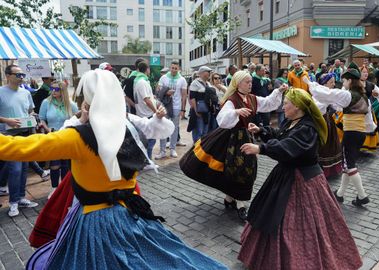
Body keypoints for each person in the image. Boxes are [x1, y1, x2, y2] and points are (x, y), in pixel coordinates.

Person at [0, 69, 227, 269]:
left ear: (88, 101)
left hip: (96, 221)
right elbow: (153, 129)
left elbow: (17, 148)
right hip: (131, 212)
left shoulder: (76, 137)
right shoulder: (128, 126)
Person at [237, 88, 362, 270]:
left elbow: (289, 146)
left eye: (286, 103)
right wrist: (261, 131)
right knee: (273, 215)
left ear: (297, 106)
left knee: (299, 223)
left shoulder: (307, 128)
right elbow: (282, 135)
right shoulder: (295, 121)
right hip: (287, 175)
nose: (283, 106)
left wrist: (261, 149)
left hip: (304, 181)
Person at [180, 70, 287, 221]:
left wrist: (278, 91)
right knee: (238, 170)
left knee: (242, 170)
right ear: (238, 83)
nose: (250, 84)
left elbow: (268, 103)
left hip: (246, 137)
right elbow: (222, 119)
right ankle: (241, 204)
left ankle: (230, 199)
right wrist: (236, 112)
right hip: (231, 140)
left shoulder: (252, 98)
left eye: (250, 82)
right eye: (247, 82)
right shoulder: (232, 100)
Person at [306, 65, 376, 206]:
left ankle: (362, 195)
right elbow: (368, 120)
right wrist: (369, 130)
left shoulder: (348, 95)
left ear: (350, 81)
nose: (342, 83)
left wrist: (310, 83)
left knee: (350, 165)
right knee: (347, 164)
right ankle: (340, 194)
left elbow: (328, 94)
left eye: (344, 81)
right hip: (360, 133)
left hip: (351, 133)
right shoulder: (364, 97)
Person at [0, 65, 39, 217]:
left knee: (23, 168)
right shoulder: (1, 92)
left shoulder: (25, 93)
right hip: (8, 136)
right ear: (8, 76)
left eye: (22, 74)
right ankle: (13, 202)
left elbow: (30, 111)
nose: (21, 77)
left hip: (25, 133)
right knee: (15, 169)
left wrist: (33, 117)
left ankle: (21, 197)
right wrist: (6, 120)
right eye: (18, 75)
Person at [39, 80, 79, 198]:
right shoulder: (46, 103)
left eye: (56, 89)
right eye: (52, 89)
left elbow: (77, 119)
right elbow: (42, 119)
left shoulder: (70, 104)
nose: (53, 91)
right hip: (53, 136)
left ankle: (65, 188)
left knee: (66, 164)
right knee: (54, 164)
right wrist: (47, 129)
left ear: (62, 91)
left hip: (67, 137)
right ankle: (54, 188)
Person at [155, 61, 188, 159]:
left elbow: (184, 95)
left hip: (176, 107)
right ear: (170, 68)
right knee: (163, 127)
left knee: (175, 128)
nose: (173, 70)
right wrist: (166, 92)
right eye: (172, 68)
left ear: (178, 69)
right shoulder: (164, 78)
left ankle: (173, 149)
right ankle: (162, 151)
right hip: (164, 106)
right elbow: (157, 91)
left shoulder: (182, 80)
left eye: (175, 68)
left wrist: (183, 109)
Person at [315, 73, 343, 178]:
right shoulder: (319, 94)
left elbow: (338, 106)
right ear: (325, 83)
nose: (333, 84)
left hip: (327, 120)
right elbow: (316, 107)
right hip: (320, 121)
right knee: (324, 145)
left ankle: (330, 170)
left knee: (331, 144)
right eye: (331, 82)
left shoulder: (328, 93)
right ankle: (323, 169)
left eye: (334, 82)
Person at [133, 61, 158, 168]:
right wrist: (156, 111)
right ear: (147, 69)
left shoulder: (138, 80)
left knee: (147, 139)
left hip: (143, 114)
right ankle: (147, 162)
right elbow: (146, 100)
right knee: (150, 139)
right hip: (146, 115)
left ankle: (147, 161)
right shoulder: (142, 82)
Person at [188, 66, 215, 142]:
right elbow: (192, 98)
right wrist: (196, 110)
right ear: (202, 73)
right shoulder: (195, 83)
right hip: (199, 110)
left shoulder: (208, 83)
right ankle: (197, 148)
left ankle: (202, 149)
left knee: (205, 131)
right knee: (199, 131)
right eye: (208, 72)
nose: (210, 73)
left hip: (207, 111)